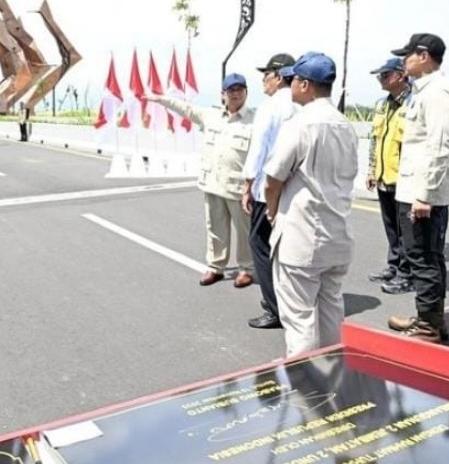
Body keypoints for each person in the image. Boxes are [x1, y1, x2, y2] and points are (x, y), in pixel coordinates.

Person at [264, 52, 358, 357]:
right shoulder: (346, 125)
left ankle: (305, 388)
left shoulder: (300, 124)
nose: (289, 86)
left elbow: (273, 179)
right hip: (338, 233)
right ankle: (334, 371)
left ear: (305, 85)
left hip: (302, 236)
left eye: (292, 81)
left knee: (299, 316)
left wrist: (271, 208)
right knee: (331, 308)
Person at [144, 73, 255, 287]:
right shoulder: (210, 115)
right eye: (231, 90)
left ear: (246, 92)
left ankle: (246, 269)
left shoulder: (255, 120)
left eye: (240, 89)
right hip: (213, 184)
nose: (236, 94)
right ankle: (216, 267)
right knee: (215, 229)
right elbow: (184, 108)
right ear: (223, 94)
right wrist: (161, 99)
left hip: (238, 188)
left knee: (244, 232)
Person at [386, 33, 449, 343]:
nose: (404, 61)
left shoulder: (439, 93)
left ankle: (429, 326)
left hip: (422, 194)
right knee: (425, 255)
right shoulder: (426, 91)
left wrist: (425, 195)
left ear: (424, 56)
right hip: (416, 190)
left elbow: (442, 146)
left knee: (423, 258)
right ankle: (431, 318)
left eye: (408, 55)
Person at [241, 53, 297, 329]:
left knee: (260, 244)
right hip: (295, 190)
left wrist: (247, 184)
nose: (263, 80)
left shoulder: (271, 106)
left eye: (266, 75)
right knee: (287, 247)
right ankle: (289, 301)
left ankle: (275, 308)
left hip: (268, 189)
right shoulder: (304, 104)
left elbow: (259, 149)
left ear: (278, 76)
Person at [365, 57, 414, 295]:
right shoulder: (382, 105)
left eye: (385, 75)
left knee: (407, 230)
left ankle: (406, 273)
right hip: (385, 177)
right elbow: (374, 140)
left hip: (405, 179)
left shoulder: (414, 104)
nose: (381, 80)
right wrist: (372, 169)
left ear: (400, 75)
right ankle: (394, 266)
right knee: (391, 227)